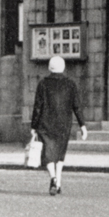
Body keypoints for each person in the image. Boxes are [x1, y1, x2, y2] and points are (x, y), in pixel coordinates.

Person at [31, 55, 87, 196]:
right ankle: (59, 181)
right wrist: (83, 126)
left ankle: (53, 178)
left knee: (48, 154)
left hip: (46, 123)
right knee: (60, 153)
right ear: (63, 67)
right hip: (64, 124)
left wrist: (33, 126)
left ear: (50, 67)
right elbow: (77, 107)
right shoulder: (70, 84)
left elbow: (37, 107)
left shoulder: (43, 84)